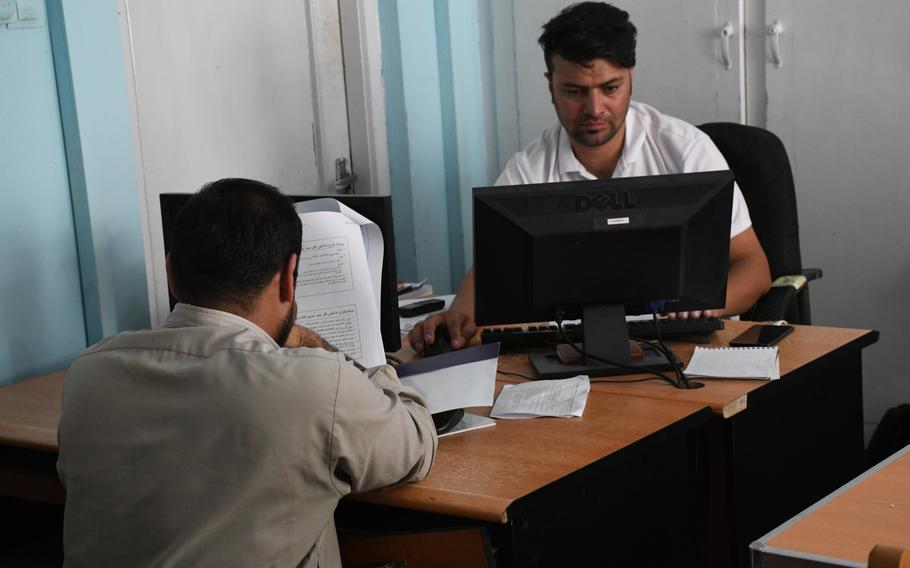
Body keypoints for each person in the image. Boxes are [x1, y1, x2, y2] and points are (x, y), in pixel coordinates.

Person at [57, 178, 437, 567]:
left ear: (170, 272)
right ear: (289, 277)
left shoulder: (88, 374)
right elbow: (417, 444)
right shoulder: (317, 384)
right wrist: (350, 359)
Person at [409, 1, 771, 354]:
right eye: (574, 91)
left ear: (630, 78)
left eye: (610, 88)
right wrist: (458, 315)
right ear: (550, 85)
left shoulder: (686, 150)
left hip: (684, 348)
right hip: (574, 355)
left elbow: (754, 268)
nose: (595, 109)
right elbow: (491, 272)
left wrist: (699, 310)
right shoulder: (529, 169)